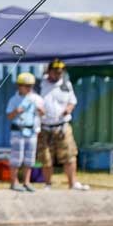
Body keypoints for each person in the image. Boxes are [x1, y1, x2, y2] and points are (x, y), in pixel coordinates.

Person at [37, 59, 89, 190]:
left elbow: (72, 101)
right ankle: (47, 184)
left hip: (62, 126)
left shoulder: (66, 84)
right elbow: (32, 100)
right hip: (45, 126)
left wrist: (69, 109)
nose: (58, 75)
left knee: (69, 155)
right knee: (46, 157)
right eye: (55, 72)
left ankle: (73, 183)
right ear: (49, 71)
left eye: (60, 72)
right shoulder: (40, 84)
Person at [6, 72, 43, 192]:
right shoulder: (14, 99)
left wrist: (41, 110)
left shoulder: (37, 99)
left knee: (29, 158)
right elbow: (9, 116)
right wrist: (17, 111)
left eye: (31, 86)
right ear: (19, 86)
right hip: (18, 131)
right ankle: (14, 182)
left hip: (32, 131)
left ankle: (27, 182)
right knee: (16, 158)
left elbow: (43, 114)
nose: (29, 88)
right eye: (26, 86)